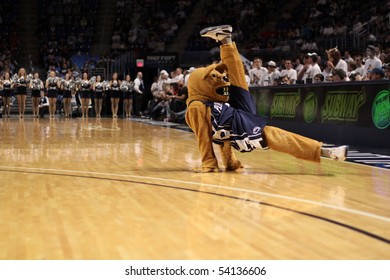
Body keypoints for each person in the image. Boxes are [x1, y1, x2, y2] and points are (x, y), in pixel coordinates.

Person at [185, 25, 348, 173]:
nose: (223, 79)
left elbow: (214, 136)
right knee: (272, 132)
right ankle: (226, 40)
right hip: (239, 122)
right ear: (197, 85)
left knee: (238, 80)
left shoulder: (211, 103)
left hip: (240, 119)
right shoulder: (197, 107)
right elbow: (206, 136)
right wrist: (222, 162)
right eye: (214, 77)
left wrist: (216, 163)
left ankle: (326, 152)